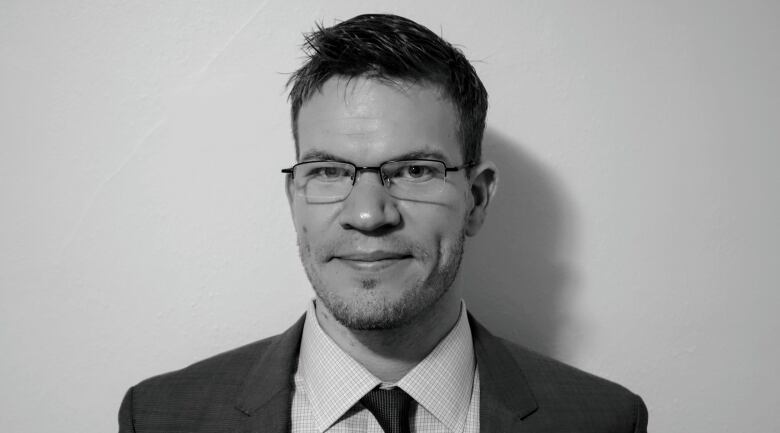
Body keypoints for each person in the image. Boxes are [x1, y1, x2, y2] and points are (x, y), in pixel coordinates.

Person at [118, 13, 648, 433]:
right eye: (327, 171)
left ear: (478, 199)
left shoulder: (603, 420)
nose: (368, 215)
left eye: (415, 170)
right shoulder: (160, 418)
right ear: (294, 197)